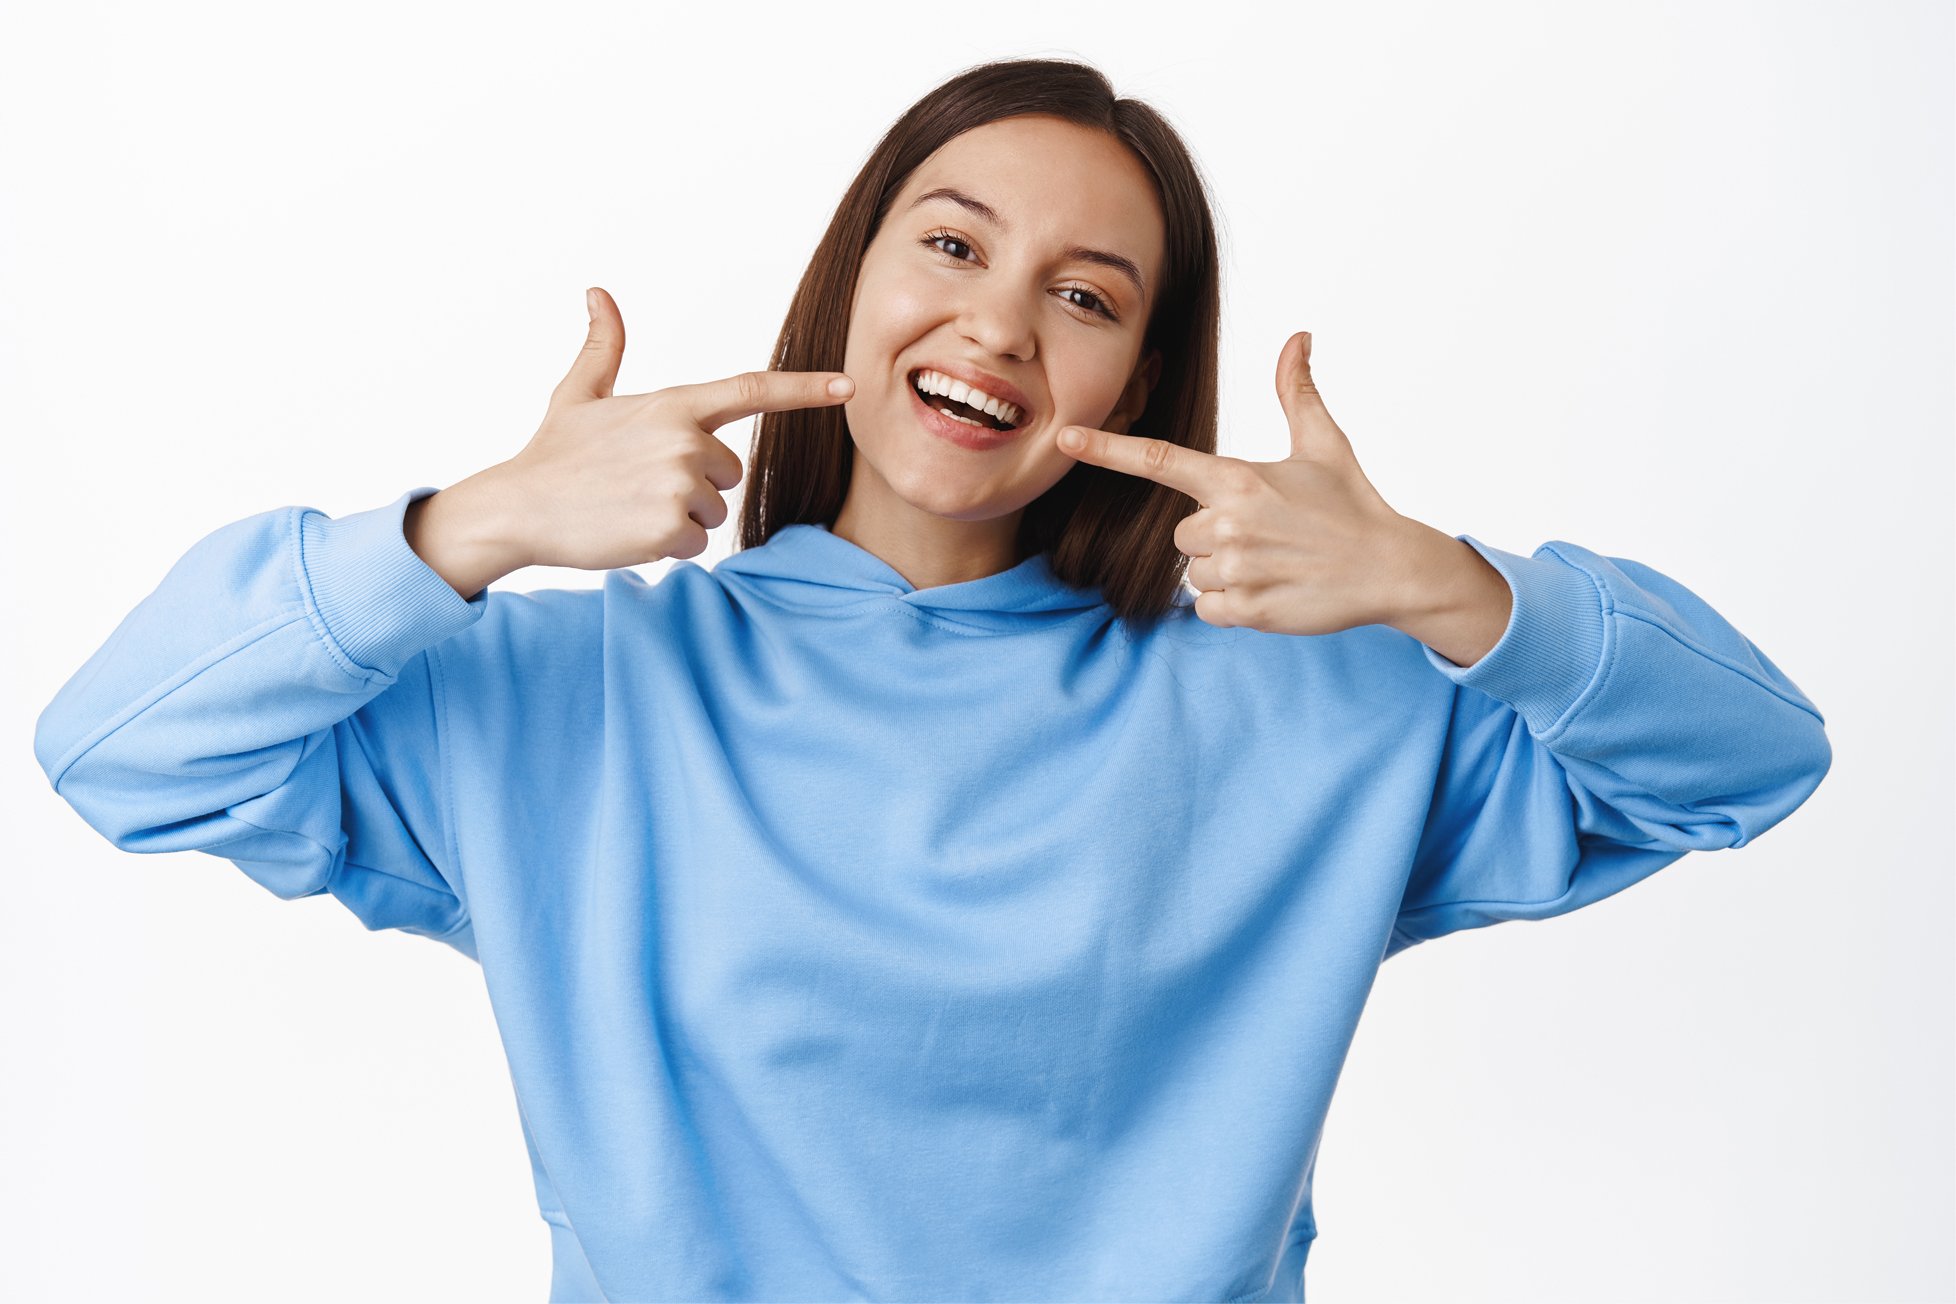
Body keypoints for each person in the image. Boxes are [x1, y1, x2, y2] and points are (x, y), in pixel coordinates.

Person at [35, 59, 1830, 1303]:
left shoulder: (1320, 704)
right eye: (954, 245)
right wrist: (470, 526)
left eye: (1087, 294)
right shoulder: (571, 696)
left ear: (1143, 370)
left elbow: (1754, 756)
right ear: (857, 277)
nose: (996, 323)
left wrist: (1450, 589)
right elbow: (121, 745)